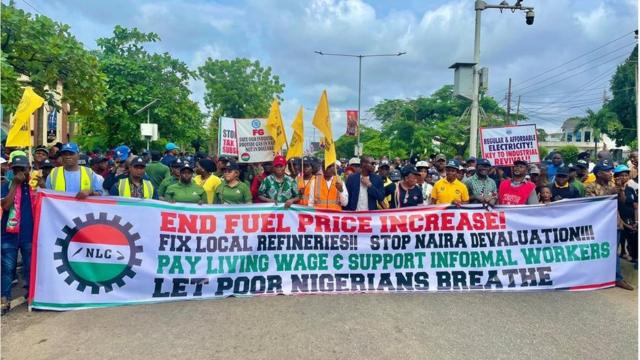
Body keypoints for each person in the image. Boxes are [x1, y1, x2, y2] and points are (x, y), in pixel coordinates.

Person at [584, 160, 634, 290]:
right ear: (599, 174)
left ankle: (617, 278)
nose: (610, 173)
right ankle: (596, 276)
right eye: (607, 171)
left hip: (614, 223)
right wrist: (610, 192)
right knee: (597, 250)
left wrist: (621, 190)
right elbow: (593, 205)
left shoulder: (614, 184)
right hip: (598, 225)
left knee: (613, 251)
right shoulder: (590, 187)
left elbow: (622, 202)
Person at [1, 156, 34, 315]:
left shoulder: (33, 186)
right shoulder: (6, 185)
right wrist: (15, 184)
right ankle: (4, 299)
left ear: (29, 169)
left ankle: (31, 295)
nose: (20, 172)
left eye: (23, 169)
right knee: (7, 269)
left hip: (28, 234)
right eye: (16, 169)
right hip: (9, 235)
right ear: (11, 170)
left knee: (30, 266)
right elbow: (6, 206)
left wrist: (38, 184)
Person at [614, 165, 638, 264]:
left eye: (626, 175)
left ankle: (635, 257)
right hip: (620, 220)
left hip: (632, 219)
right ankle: (622, 252)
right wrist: (624, 224)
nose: (624, 177)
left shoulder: (631, 189)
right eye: (621, 175)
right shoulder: (614, 190)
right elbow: (617, 208)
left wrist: (637, 221)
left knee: (634, 239)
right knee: (621, 239)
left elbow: (636, 206)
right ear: (616, 177)